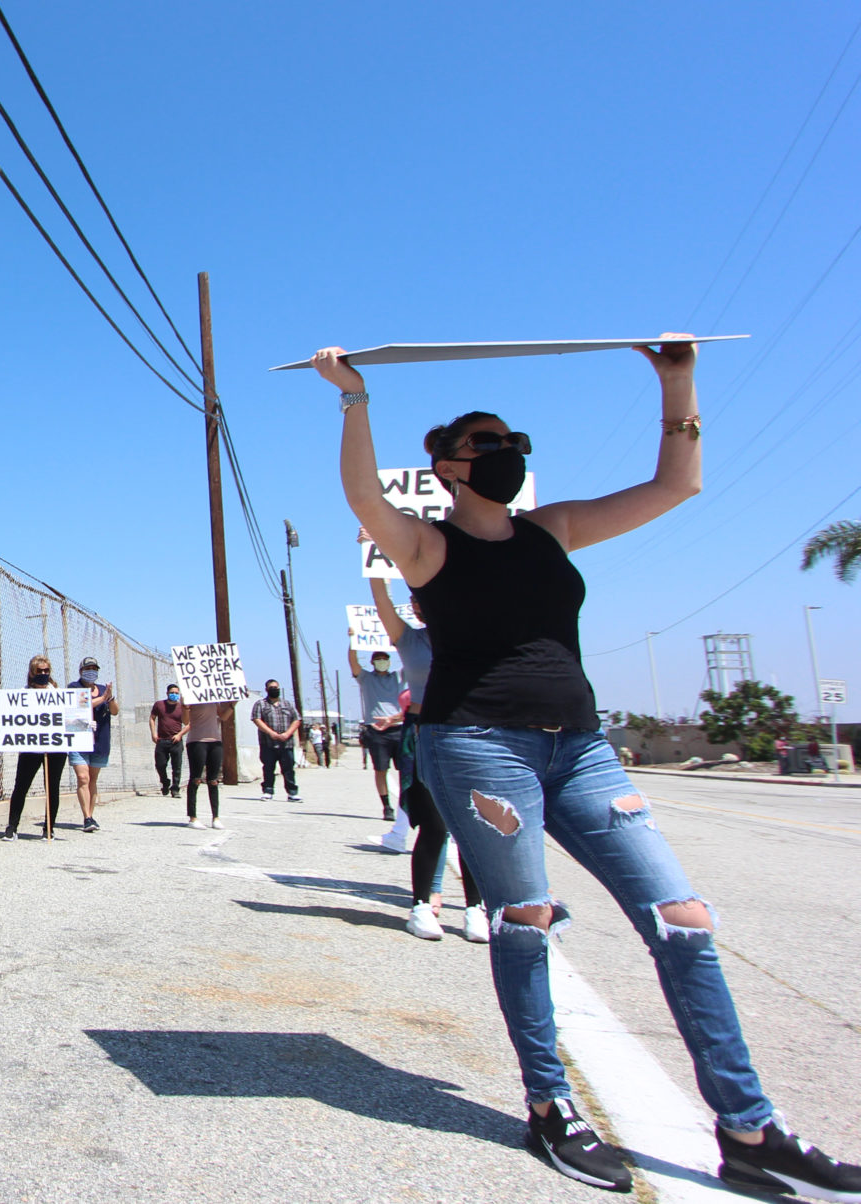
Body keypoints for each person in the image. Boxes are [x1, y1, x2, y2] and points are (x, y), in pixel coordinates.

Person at [323, 337, 861, 1197]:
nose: (507, 458)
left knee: (682, 917)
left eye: (515, 446)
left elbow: (674, 486)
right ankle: (550, 1107)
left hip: (582, 748)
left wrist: (677, 380)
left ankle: (750, 1129)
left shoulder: (553, 529)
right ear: (448, 468)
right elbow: (359, 493)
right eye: (489, 447)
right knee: (526, 919)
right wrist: (354, 399)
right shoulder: (424, 548)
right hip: (479, 746)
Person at [371, 575, 485, 944]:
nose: (417, 604)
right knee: (434, 824)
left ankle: (475, 908)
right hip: (423, 731)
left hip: (467, 729)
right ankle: (420, 905)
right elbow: (381, 597)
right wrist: (371, 555)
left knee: (472, 826)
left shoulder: (473, 633)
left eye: (423, 598)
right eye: (413, 599)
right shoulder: (408, 639)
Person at [4, 655, 67, 839]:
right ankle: (12, 827)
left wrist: (84, 726)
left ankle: (49, 828)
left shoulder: (58, 694)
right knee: (21, 786)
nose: (43, 674)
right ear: (32, 672)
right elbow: (14, 719)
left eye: (46, 671)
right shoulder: (21, 694)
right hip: (30, 748)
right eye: (39, 671)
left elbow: (69, 717)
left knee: (52, 787)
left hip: (55, 748)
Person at [347, 641, 406, 821]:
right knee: (381, 770)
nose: (382, 661)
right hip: (376, 731)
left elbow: (412, 662)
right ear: (372, 662)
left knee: (406, 770)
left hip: (398, 729)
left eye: (385, 659)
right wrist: (353, 641)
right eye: (378, 659)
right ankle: (386, 806)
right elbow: (353, 662)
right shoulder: (366, 678)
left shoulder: (398, 677)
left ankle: (406, 806)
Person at [67, 657, 119, 832]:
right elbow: (82, 705)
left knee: (93, 779)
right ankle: (87, 817)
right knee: (83, 778)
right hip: (79, 739)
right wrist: (103, 697)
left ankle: (91, 814)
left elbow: (115, 711)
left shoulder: (104, 690)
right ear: (81, 670)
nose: (91, 671)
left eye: (94, 668)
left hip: (100, 740)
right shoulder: (74, 688)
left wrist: (109, 698)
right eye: (88, 668)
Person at [251, 680, 302, 802]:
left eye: (276, 687)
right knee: (268, 768)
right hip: (268, 743)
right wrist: (271, 733)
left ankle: (292, 793)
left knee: (288, 768)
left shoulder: (287, 704)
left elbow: (297, 719)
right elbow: (256, 719)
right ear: (266, 689)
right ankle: (268, 791)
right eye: (271, 687)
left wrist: (288, 733)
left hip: (286, 743)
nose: (274, 689)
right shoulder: (261, 704)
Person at [183, 699, 223, 828]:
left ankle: (216, 817)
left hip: (215, 741)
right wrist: (185, 706)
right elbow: (185, 721)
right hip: (197, 741)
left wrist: (234, 703)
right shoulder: (191, 697)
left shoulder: (214, 699)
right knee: (196, 778)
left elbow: (224, 716)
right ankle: (193, 818)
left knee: (213, 780)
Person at [149, 682, 188, 797]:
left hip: (176, 740)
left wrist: (180, 734)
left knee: (177, 766)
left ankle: (175, 789)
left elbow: (189, 723)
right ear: (167, 693)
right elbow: (152, 718)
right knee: (160, 765)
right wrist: (153, 733)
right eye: (172, 693)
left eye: (176, 693)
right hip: (162, 740)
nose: (174, 695)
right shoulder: (159, 705)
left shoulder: (182, 707)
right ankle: (165, 782)